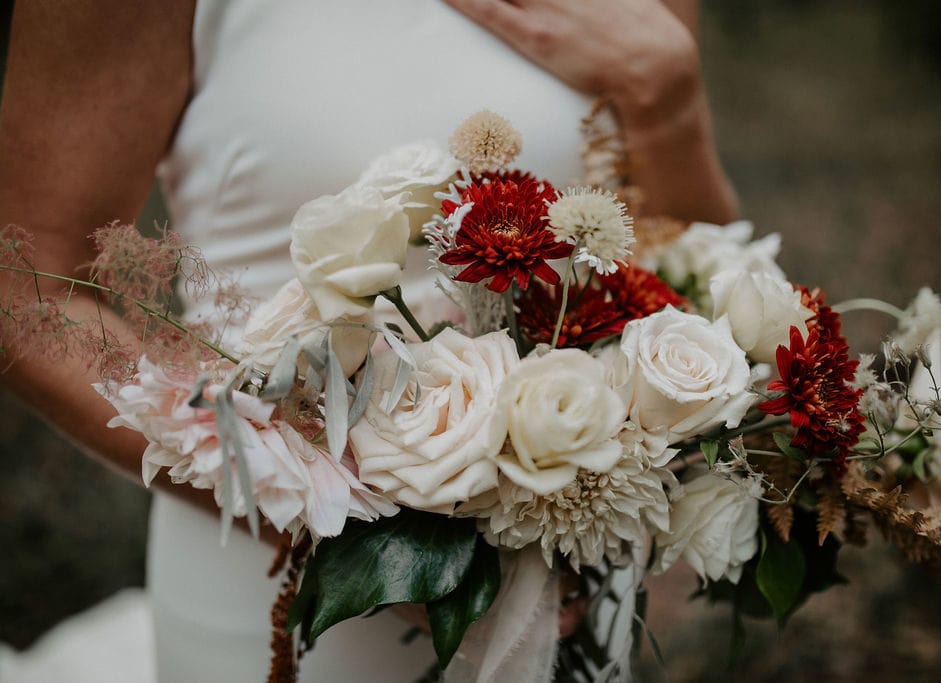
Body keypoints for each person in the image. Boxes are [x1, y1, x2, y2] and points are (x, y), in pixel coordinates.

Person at [0, 1, 738, 680]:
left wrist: (669, 102)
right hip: (271, 565)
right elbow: (23, 284)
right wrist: (339, 523)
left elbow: (683, 257)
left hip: (567, 558)